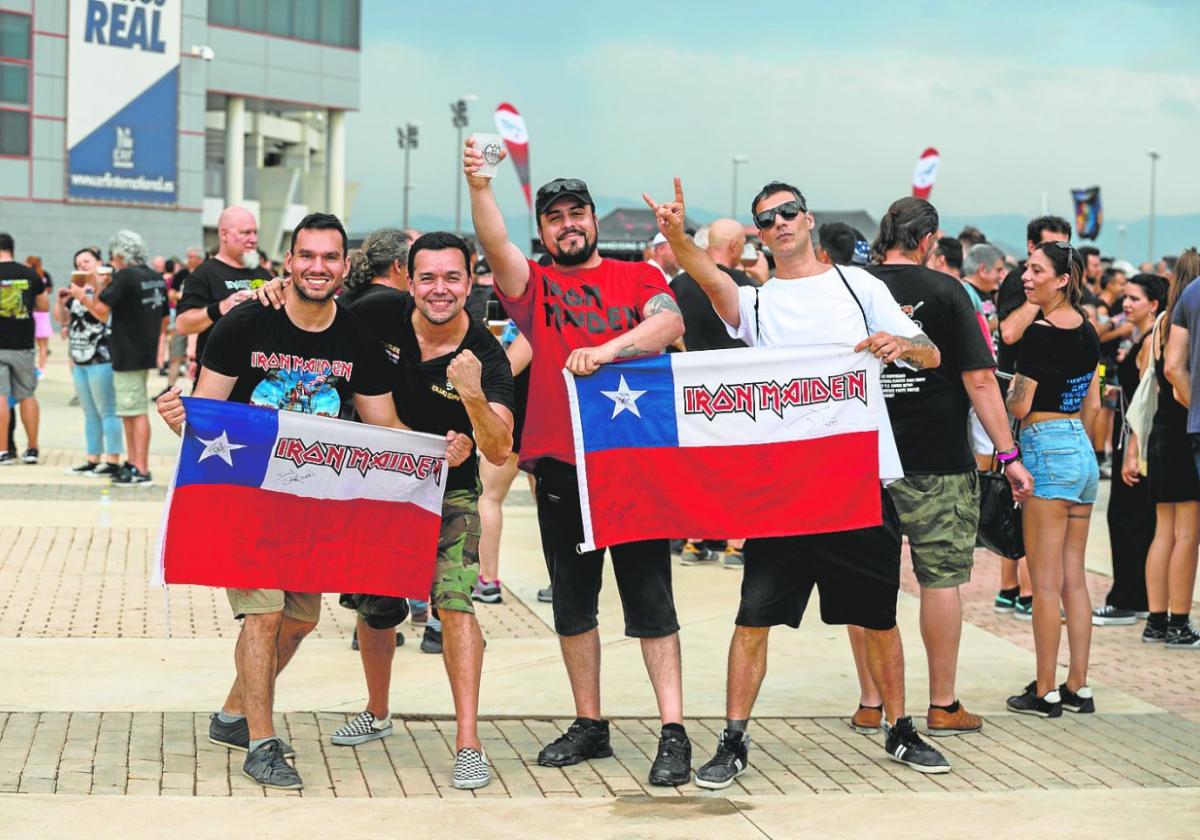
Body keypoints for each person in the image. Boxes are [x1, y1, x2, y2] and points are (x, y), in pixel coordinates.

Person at [156, 213, 474, 791]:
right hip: (249, 495)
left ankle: (233, 716)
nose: (318, 268)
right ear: (289, 262)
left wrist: (439, 450)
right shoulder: (246, 324)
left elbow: (386, 427)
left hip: (311, 504)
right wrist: (179, 417)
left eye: (330, 258)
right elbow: (207, 417)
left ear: (344, 267)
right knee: (265, 612)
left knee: (299, 623)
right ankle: (261, 741)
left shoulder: (355, 337)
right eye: (307, 256)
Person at [647, 177, 951, 781]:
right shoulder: (757, 301)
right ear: (759, 236)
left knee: (880, 617)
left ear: (809, 220)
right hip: (784, 489)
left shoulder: (860, 285)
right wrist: (677, 237)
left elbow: (933, 353)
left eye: (788, 213)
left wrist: (902, 343)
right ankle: (733, 740)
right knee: (753, 616)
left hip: (858, 479)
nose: (779, 223)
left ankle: (900, 727)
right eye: (766, 220)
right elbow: (709, 279)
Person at [466, 143, 692, 787]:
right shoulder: (534, 287)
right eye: (555, 217)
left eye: (577, 213)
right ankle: (590, 722)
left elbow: (667, 322)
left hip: (636, 464)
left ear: (594, 220)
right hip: (562, 468)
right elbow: (494, 242)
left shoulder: (637, 277)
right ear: (542, 230)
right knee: (573, 601)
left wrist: (608, 348)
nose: (568, 224)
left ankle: (672, 729)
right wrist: (481, 184)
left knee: (652, 600)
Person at [847, 197, 1032, 740]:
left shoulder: (853, 286)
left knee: (866, 580)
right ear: (929, 240)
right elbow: (979, 381)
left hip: (864, 456)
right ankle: (942, 703)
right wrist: (1008, 454)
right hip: (938, 458)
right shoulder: (950, 292)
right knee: (940, 581)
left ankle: (869, 700)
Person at [1005, 241, 1101, 716]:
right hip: (1081, 450)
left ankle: (1043, 690)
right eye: (1026, 268)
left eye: (1036, 270)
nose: (1027, 276)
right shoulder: (1089, 329)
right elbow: (1094, 404)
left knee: (1043, 583)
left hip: (1045, 445)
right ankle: (1078, 685)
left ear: (1061, 279)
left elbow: (1020, 405)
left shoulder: (1040, 334)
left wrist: (1006, 390)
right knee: (1074, 580)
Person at [669, 218, 758, 568]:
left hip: (691, 390)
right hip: (737, 393)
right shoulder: (746, 286)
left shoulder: (678, 284)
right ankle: (736, 545)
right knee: (739, 469)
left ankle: (693, 542)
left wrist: (690, 350)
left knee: (696, 467)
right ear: (735, 246)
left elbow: (665, 329)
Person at [994, 215, 1072, 617]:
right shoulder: (1019, 283)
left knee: (1024, 495)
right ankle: (1020, 590)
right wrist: (1037, 297)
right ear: (1030, 249)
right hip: (1018, 397)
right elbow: (1007, 333)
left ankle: (1013, 587)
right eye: (1049, 249)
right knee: (1023, 494)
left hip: (1047, 407)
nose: (1061, 257)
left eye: (1065, 249)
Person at [1098, 274, 1166, 625]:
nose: (1126, 304)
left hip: (1135, 442)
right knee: (1135, 521)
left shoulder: (1152, 339)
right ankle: (1137, 596)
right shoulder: (1143, 336)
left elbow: (1147, 402)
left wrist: (1132, 451)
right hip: (1129, 436)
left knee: (1127, 520)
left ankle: (1127, 599)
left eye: (1134, 299)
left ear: (1154, 304)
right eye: (1125, 297)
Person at [92, 230, 167, 486]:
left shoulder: (125, 276)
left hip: (127, 350)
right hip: (144, 350)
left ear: (121, 255)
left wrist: (83, 295)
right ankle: (134, 462)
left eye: (114, 256)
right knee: (130, 410)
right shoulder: (154, 276)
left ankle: (140, 468)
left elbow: (102, 311)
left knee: (134, 411)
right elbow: (165, 317)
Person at [1156, 248, 1200, 648]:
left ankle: (1158, 618)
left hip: (1166, 429)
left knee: (1164, 531)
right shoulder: (1182, 316)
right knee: (1186, 534)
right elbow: (1172, 374)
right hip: (1184, 426)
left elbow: (1162, 373)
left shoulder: (1164, 320)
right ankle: (1178, 619)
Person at [175, 206, 274, 382]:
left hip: (261, 385)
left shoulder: (263, 274)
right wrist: (221, 307)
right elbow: (183, 325)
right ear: (224, 234)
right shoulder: (204, 274)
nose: (253, 239)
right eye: (246, 233)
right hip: (217, 381)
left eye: (255, 233)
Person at [56, 247, 122, 477]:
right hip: (79, 358)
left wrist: (83, 296)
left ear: (99, 262)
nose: (82, 264)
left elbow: (102, 315)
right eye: (78, 262)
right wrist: (62, 301)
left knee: (108, 410)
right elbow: (63, 319)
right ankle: (92, 458)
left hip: (102, 356)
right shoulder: (77, 288)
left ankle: (112, 460)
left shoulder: (107, 287)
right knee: (89, 411)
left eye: (86, 260)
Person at [0, 232, 46, 465]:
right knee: (27, 394)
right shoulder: (29, 274)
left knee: (0, 396)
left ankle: (3, 451)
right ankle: (33, 449)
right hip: (23, 344)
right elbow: (43, 306)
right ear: (12, 249)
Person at [24, 256, 52, 374]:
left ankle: (37, 368)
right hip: (43, 313)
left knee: (34, 344)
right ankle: (41, 368)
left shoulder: (30, 275)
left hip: (35, 312)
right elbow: (49, 289)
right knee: (43, 345)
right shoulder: (43, 275)